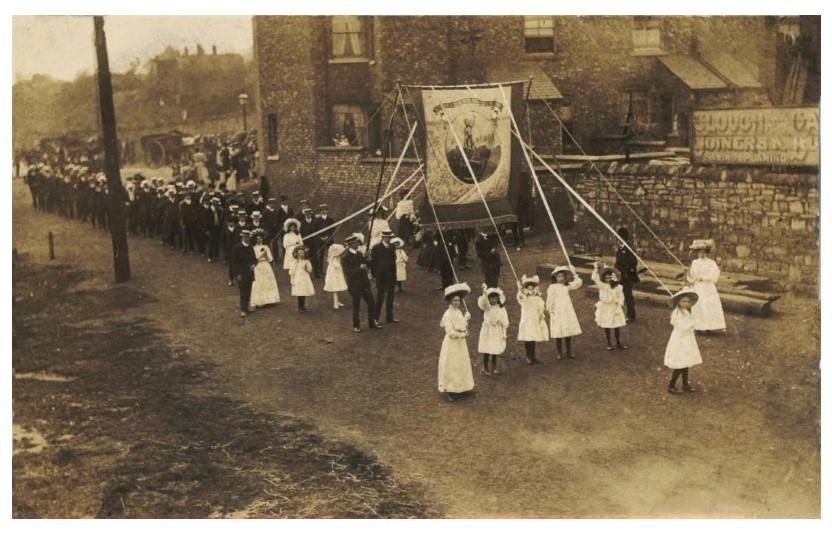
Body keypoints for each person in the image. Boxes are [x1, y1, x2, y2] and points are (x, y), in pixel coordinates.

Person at [438, 282, 475, 403]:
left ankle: (462, 387)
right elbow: (451, 333)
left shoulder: (459, 312)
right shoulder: (447, 314)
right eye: (454, 301)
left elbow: (462, 326)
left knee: (461, 363)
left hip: (460, 344)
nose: (457, 303)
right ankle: (450, 390)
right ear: (449, 301)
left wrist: (466, 318)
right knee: (452, 365)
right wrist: (463, 335)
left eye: (458, 300)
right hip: (452, 344)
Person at [665, 287, 702, 394]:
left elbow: (690, 324)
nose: (686, 303)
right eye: (683, 301)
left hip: (687, 340)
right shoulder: (676, 314)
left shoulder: (686, 311)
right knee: (680, 363)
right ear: (678, 302)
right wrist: (691, 324)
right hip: (679, 340)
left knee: (686, 362)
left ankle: (685, 384)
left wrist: (692, 324)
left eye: (688, 301)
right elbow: (681, 326)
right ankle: (671, 385)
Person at [686, 239, 726, 333]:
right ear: (698, 253)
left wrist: (704, 278)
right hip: (698, 287)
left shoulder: (711, 263)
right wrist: (688, 273)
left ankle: (710, 327)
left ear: (707, 253)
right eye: (700, 252)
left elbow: (715, 274)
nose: (702, 254)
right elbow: (692, 275)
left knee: (709, 305)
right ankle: (698, 327)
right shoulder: (695, 262)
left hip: (708, 287)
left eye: (704, 252)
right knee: (699, 305)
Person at [342, 233, 380, 333]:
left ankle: (372, 323)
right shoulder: (345, 257)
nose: (357, 244)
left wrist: (368, 259)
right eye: (355, 243)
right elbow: (348, 273)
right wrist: (359, 268)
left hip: (364, 283)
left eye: (357, 242)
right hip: (354, 284)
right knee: (356, 305)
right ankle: (356, 325)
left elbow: (367, 265)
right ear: (350, 245)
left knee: (371, 302)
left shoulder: (359, 254)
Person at [546, 265, 583, 360]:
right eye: (559, 277)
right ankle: (559, 352)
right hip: (558, 311)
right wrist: (551, 309)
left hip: (567, 310)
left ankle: (569, 351)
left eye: (562, 276)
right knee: (559, 331)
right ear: (555, 277)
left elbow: (578, 284)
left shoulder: (567, 286)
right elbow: (550, 299)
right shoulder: (552, 287)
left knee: (567, 330)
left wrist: (574, 273)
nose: (561, 278)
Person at [592, 262, 628, 351]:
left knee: (616, 325)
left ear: (613, 277)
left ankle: (618, 342)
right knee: (607, 325)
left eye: (609, 277)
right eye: (606, 278)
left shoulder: (618, 287)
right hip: (606, 307)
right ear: (603, 278)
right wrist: (596, 268)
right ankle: (609, 343)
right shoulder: (602, 286)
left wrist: (619, 304)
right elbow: (594, 278)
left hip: (614, 307)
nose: (608, 279)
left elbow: (621, 297)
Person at [477, 284, 509, 376]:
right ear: (489, 299)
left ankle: (494, 367)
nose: (494, 300)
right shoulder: (487, 308)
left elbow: (504, 319)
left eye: (495, 298)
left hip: (496, 331)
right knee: (487, 349)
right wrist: (484, 293)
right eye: (491, 298)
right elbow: (483, 303)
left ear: (498, 298)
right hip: (488, 330)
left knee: (495, 349)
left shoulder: (501, 309)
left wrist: (503, 327)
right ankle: (486, 368)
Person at [517, 275, 548, 365]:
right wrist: (520, 290)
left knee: (533, 338)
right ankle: (528, 356)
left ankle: (533, 356)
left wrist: (541, 315)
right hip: (527, 320)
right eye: (529, 288)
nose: (531, 290)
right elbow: (520, 298)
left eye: (532, 288)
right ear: (526, 289)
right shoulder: (524, 298)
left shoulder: (538, 298)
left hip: (534, 320)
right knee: (528, 338)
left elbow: (541, 307)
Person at [371, 230, 399, 324]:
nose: (388, 239)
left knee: (390, 297)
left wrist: (394, 274)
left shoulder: (392, 247)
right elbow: (373, 263)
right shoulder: (376, 248)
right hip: (381, 276)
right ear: (382, 237)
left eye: (390, 237)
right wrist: (375, 275)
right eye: (386, 237)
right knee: (380, 297)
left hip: (391, 276)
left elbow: (394, 260)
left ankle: (389, 317)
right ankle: (375, 318)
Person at [614, 227, 640, 322]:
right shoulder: (621, 248)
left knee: (627, 295)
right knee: (618, 294)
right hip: (620, 276)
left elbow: (633, 261)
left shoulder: (628, 248)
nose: (617, 240)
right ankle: (618, 313)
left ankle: (631, 316)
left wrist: (624, 271)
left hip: (627, 276)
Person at [250, 230, 280, 308]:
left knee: (267, 282)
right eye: (258, 239)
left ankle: (270, 300)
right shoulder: (253, 248)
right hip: (258, 266)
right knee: (259, 282)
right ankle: (260, 300)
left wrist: (266, 254)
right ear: (255, 240)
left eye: (260, 238)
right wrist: (259, 257)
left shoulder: (266, 247)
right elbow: (253, 259)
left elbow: (270, 259)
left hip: (266, 265)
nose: (259, 240)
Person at [231, 229, 257, 317]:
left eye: (248, 237)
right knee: (243, 291)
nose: (246, 239)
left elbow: (254, 258)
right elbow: (234, 262)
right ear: (242, 237)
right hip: (241, 274)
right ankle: (243, 309)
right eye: (245, 237)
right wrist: (237, 274)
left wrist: (254, 264)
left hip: (249, 273)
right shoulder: (237, 248)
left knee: (249, 290)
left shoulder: (250, 247)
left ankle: (247, 307)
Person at [290, 245, 315, 312]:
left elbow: (310, 270)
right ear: (297, 254)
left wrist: (307, 267)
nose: (301, 254)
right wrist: (292, 279)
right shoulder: (295, 261)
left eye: (302, 253)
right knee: (299, 292)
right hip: (298, 278)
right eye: (300, 253)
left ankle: (303, 306)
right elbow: (292, 271)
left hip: (304, 278)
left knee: (303, 292)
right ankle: (300, 307)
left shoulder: (306, 261)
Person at [324, 243, 348, 310]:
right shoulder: (333, 258)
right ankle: (335, 303)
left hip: (337, 273)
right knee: (335, 288)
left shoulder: (335, 257)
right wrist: (346, 248)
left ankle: (337, 301)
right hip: (333, 273)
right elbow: (339, 256)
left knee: (337, 287)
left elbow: (340, 254)